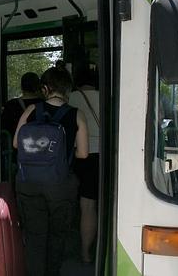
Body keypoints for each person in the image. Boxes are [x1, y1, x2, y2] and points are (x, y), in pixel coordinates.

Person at [13, 66, 89, 276]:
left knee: (35, 236)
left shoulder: (31, 111)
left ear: (45, 88)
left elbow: (16, 143)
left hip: (28, 182)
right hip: (60, 185)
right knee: (57, 236)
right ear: (67, 89)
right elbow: (83, 154)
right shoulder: (76, 114)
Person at [68, 65, 100, 264]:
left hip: (78, 156)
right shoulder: (109, 96)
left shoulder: (70, 99)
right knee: (96, 205)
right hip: (103, 156)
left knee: (84, 205)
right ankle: (95, 249)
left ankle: (83, 252)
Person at [1, 72, 42, 137]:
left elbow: (4, 127)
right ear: (38, 86)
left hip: (16, 144)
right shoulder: (44, 104)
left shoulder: (11, 105)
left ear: (21, 86)